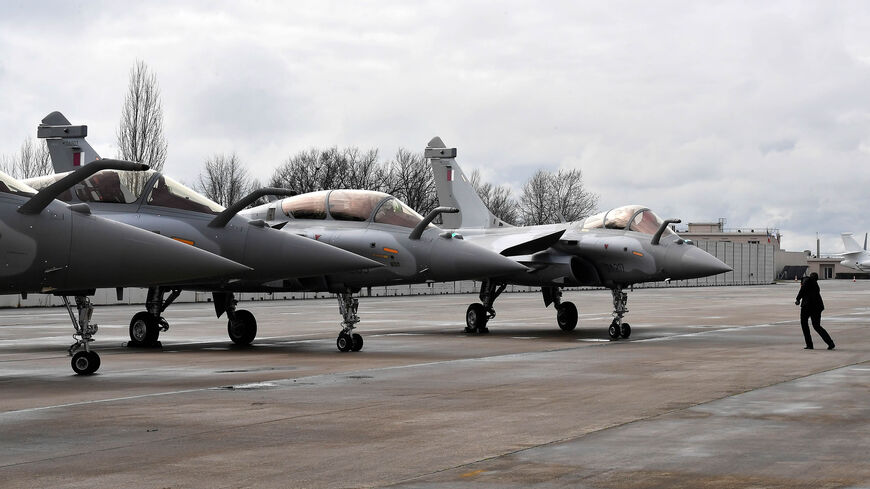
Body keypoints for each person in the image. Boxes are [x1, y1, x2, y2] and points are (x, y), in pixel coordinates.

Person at [795, 272, 835, 350]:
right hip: (817, 307)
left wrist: (797, 299)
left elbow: (802, 290)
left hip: (807, 306)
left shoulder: (807, 281)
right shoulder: (816, 285)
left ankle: (809, 344)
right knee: (817, 326)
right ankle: (830, 343)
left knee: (804, 325)